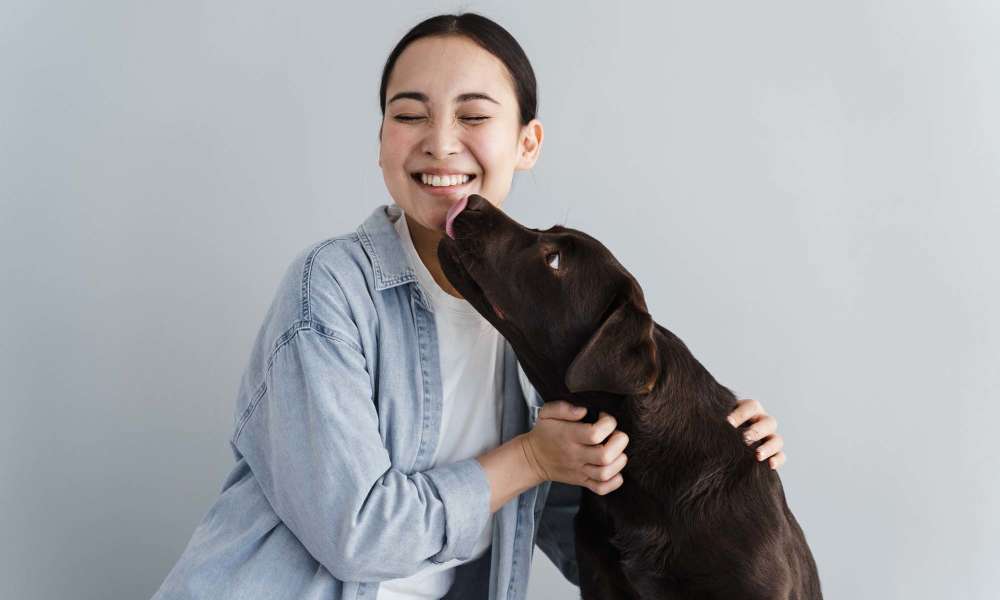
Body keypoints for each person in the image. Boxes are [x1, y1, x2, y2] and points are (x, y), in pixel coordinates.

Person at [150, 12, 786, 600]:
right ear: (380, 143)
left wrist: (713, 455)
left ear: (527, 142)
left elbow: (590, 538)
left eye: (474, 116)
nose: (440, 142)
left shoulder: (546, 330)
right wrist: (532, 458)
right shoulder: (330, 289)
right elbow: (359, 534)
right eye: (410, 115)